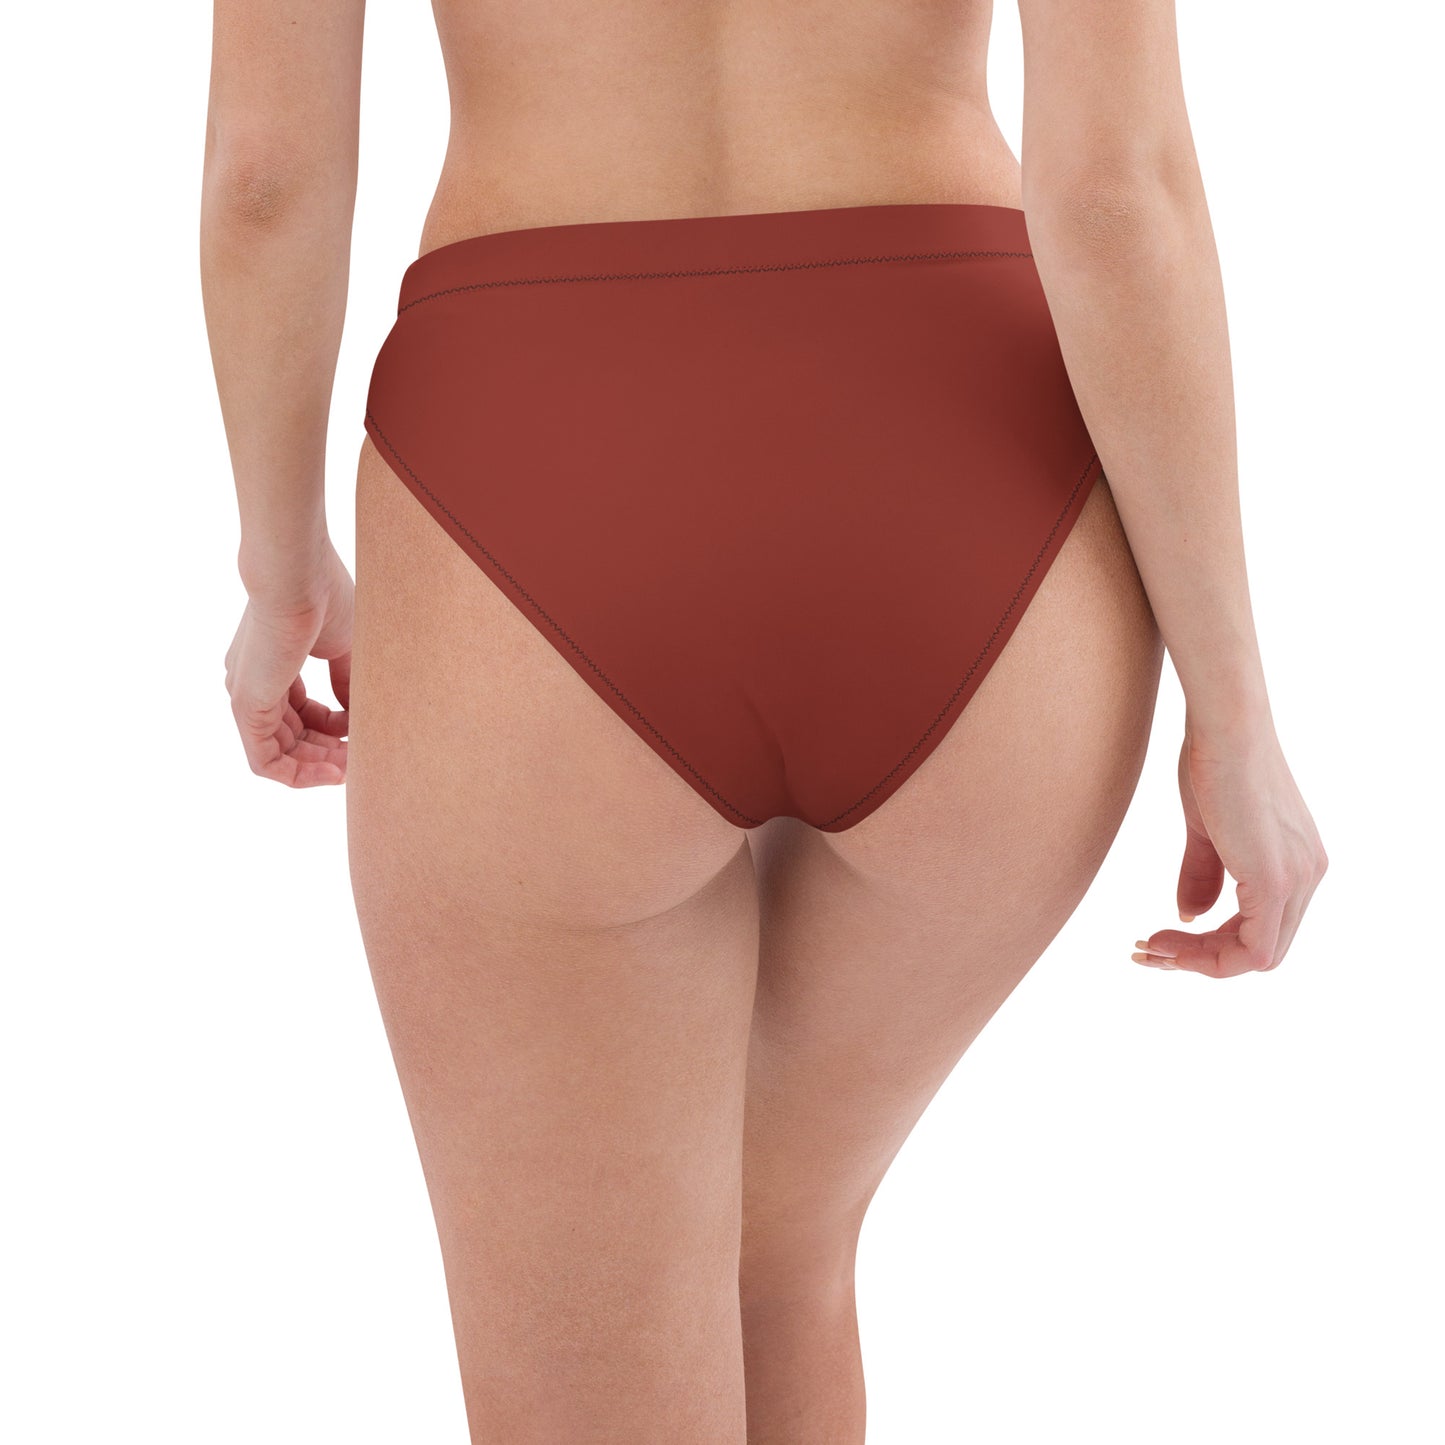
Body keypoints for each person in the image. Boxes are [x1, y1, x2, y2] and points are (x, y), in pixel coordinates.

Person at [201, 0, 1327, 1438]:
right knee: (767, 1250)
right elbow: (1119, 192)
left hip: (537, 458)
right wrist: (1234, 710)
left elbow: (266, 176)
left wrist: (281, 564)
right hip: (970, 494)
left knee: (605, 1337)